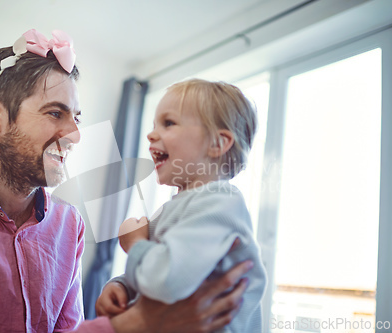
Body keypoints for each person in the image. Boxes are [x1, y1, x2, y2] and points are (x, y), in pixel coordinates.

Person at [0, 30, 252, 333]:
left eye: (76, 117)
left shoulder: (69, 225)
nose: (74, 136)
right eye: (55, 113)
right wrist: (137, 324)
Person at [96, 79, 267, 332]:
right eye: (155, 125)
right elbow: (159, 269)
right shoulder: (173, 210)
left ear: (217, 144)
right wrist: (122, 285)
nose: (151, 134)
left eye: (168, 123)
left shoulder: (220, 203)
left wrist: (134, 244)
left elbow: (165, 279)